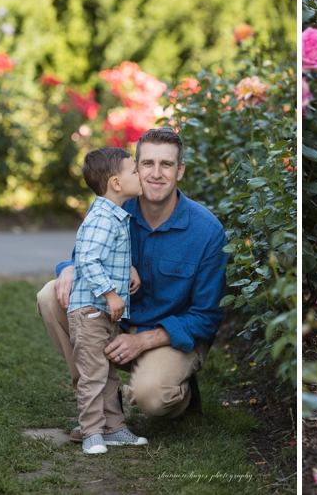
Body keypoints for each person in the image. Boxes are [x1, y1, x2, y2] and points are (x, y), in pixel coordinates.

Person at [37, 128, 228, 441]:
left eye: (166, 165)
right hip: (115, 323)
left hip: (171, 335)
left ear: (180, 170)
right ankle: (99, 410)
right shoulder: (115, 206)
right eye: (147, 164)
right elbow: (84, 254)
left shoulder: (207, 231)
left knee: (154, 397)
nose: (155, 174)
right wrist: (69, 269)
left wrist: (144, 341)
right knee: (50, 294)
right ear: (134, 169)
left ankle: (185, 395)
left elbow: (207, 316)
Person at [67, 146, 150, 454]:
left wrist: (127, 267)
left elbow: (106, 253)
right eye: (134, 170)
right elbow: (87, 260)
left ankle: (114, 429)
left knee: (109, 375)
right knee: (93, 375)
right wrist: (111, 293)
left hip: (102, 313)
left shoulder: (115, 215)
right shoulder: (102, 217)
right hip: (90, 311)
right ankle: (91, 433)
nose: (140, 174)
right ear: (116, 183)